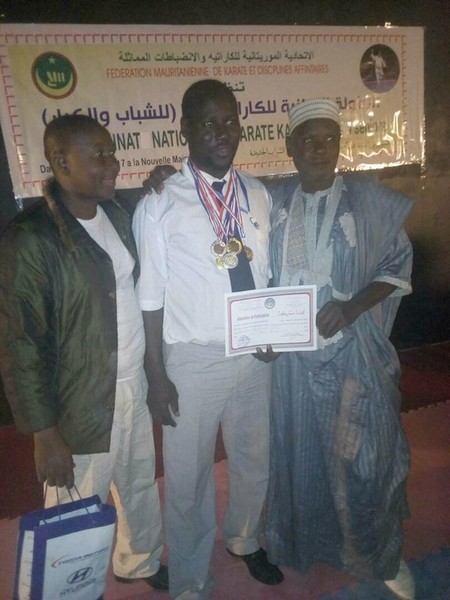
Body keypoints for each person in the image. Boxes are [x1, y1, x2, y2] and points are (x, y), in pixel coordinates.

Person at [0, 114, 168, 591]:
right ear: (60, 161)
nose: (112, 163)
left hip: (132, 385)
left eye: (111, 152)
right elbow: (20, 345)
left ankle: (139, 562)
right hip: (79, 402)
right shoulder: (31, 237)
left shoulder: (115, 215)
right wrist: (44, 433)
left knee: (139, 485)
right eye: (98, 155)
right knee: (75, 509)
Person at [132, 79, 283, 600]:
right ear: (186, 130)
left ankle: (244, 537)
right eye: (208, 123)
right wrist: (156, 374)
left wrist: (272, 330)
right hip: (192, 360)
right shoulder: (160, 201)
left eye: (229, 121)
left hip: (253, 353)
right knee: (188, 476)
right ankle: (191, 577)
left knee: (253, 457)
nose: (222, 132)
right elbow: (149, 296)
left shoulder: (258, 193)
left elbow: (266, 275)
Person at [266, 98, 415, 600]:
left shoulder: (368, 202)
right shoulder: (272, 201)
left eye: (329, 139)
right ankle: (309, 545)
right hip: (290, 362)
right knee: (300, 454)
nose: (319, 149)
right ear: (290, 146)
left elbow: (396, 267)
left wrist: (351, 308)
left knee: (368, 456)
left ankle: (381, 554)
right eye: (308, 140)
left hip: (353, 352)